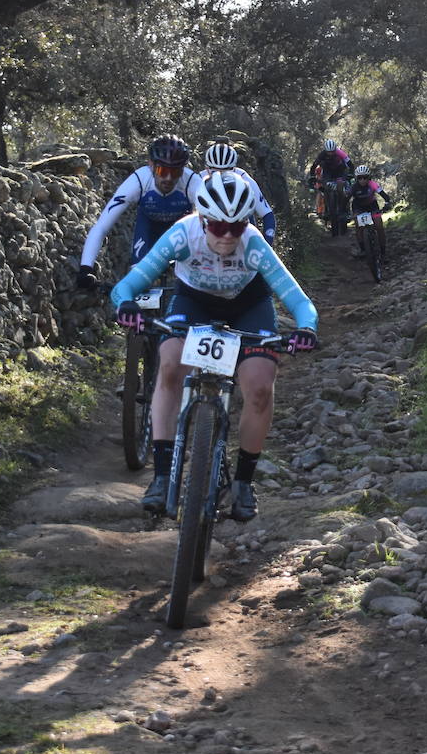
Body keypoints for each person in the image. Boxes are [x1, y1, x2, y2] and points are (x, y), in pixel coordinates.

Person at [111, 171, 319, 520]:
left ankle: (242, 483)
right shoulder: (183, 233)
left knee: (259, 386)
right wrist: (127, 305)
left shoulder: (253, 243)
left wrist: (306, 328)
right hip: (194, 302)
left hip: (248, 306)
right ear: (202, 219)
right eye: (217, 226)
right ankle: (161, 476)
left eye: (236, 227)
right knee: (171, 365)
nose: (226, 236)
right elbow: (128, 285)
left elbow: (300, 302)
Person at [76, 134, 199, 288]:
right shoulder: (139, 180)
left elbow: (213, 221)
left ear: (183, 170)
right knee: (138, 280)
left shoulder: (192, 182)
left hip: (181, 230)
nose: (168, 178)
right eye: (162, 170)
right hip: (148, 228)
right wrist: (86, 268)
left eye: (175, 172)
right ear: (151, 165)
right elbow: (102, 226)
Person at [201, 142, 278, 246]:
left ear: (234, 169)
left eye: (226, 171)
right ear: (207, 170)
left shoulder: (244, 178)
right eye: (215, 171)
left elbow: (267, 215)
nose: (221, 176)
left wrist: (266, 247)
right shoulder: (199, 180)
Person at [346, 165, 393, 260]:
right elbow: (345, 199)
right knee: (359, 227)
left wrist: (387, 203)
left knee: (379, 226)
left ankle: (383, 253)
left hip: (372, 206)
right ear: (356, 178)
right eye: (360, 178)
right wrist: (343, 211)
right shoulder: (354, 187)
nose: (362, 180)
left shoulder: (373, 184)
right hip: (358, 207)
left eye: (365, 177)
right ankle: (363, 249)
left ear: (369, 177)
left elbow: (384, 195)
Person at [306, 139, 353, 232]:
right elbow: (314, 166)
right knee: (325, 187)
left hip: (340, 172)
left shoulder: (340, 153)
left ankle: (346, 209)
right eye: (329, 152)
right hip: (328, 173)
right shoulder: (322, 154)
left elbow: (350, 164)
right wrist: (312, 175)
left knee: (342, 188)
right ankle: (327, 210)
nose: (331, 154)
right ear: (325, 150)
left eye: (332, 152)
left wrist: (350, 174)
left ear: (335, 150)